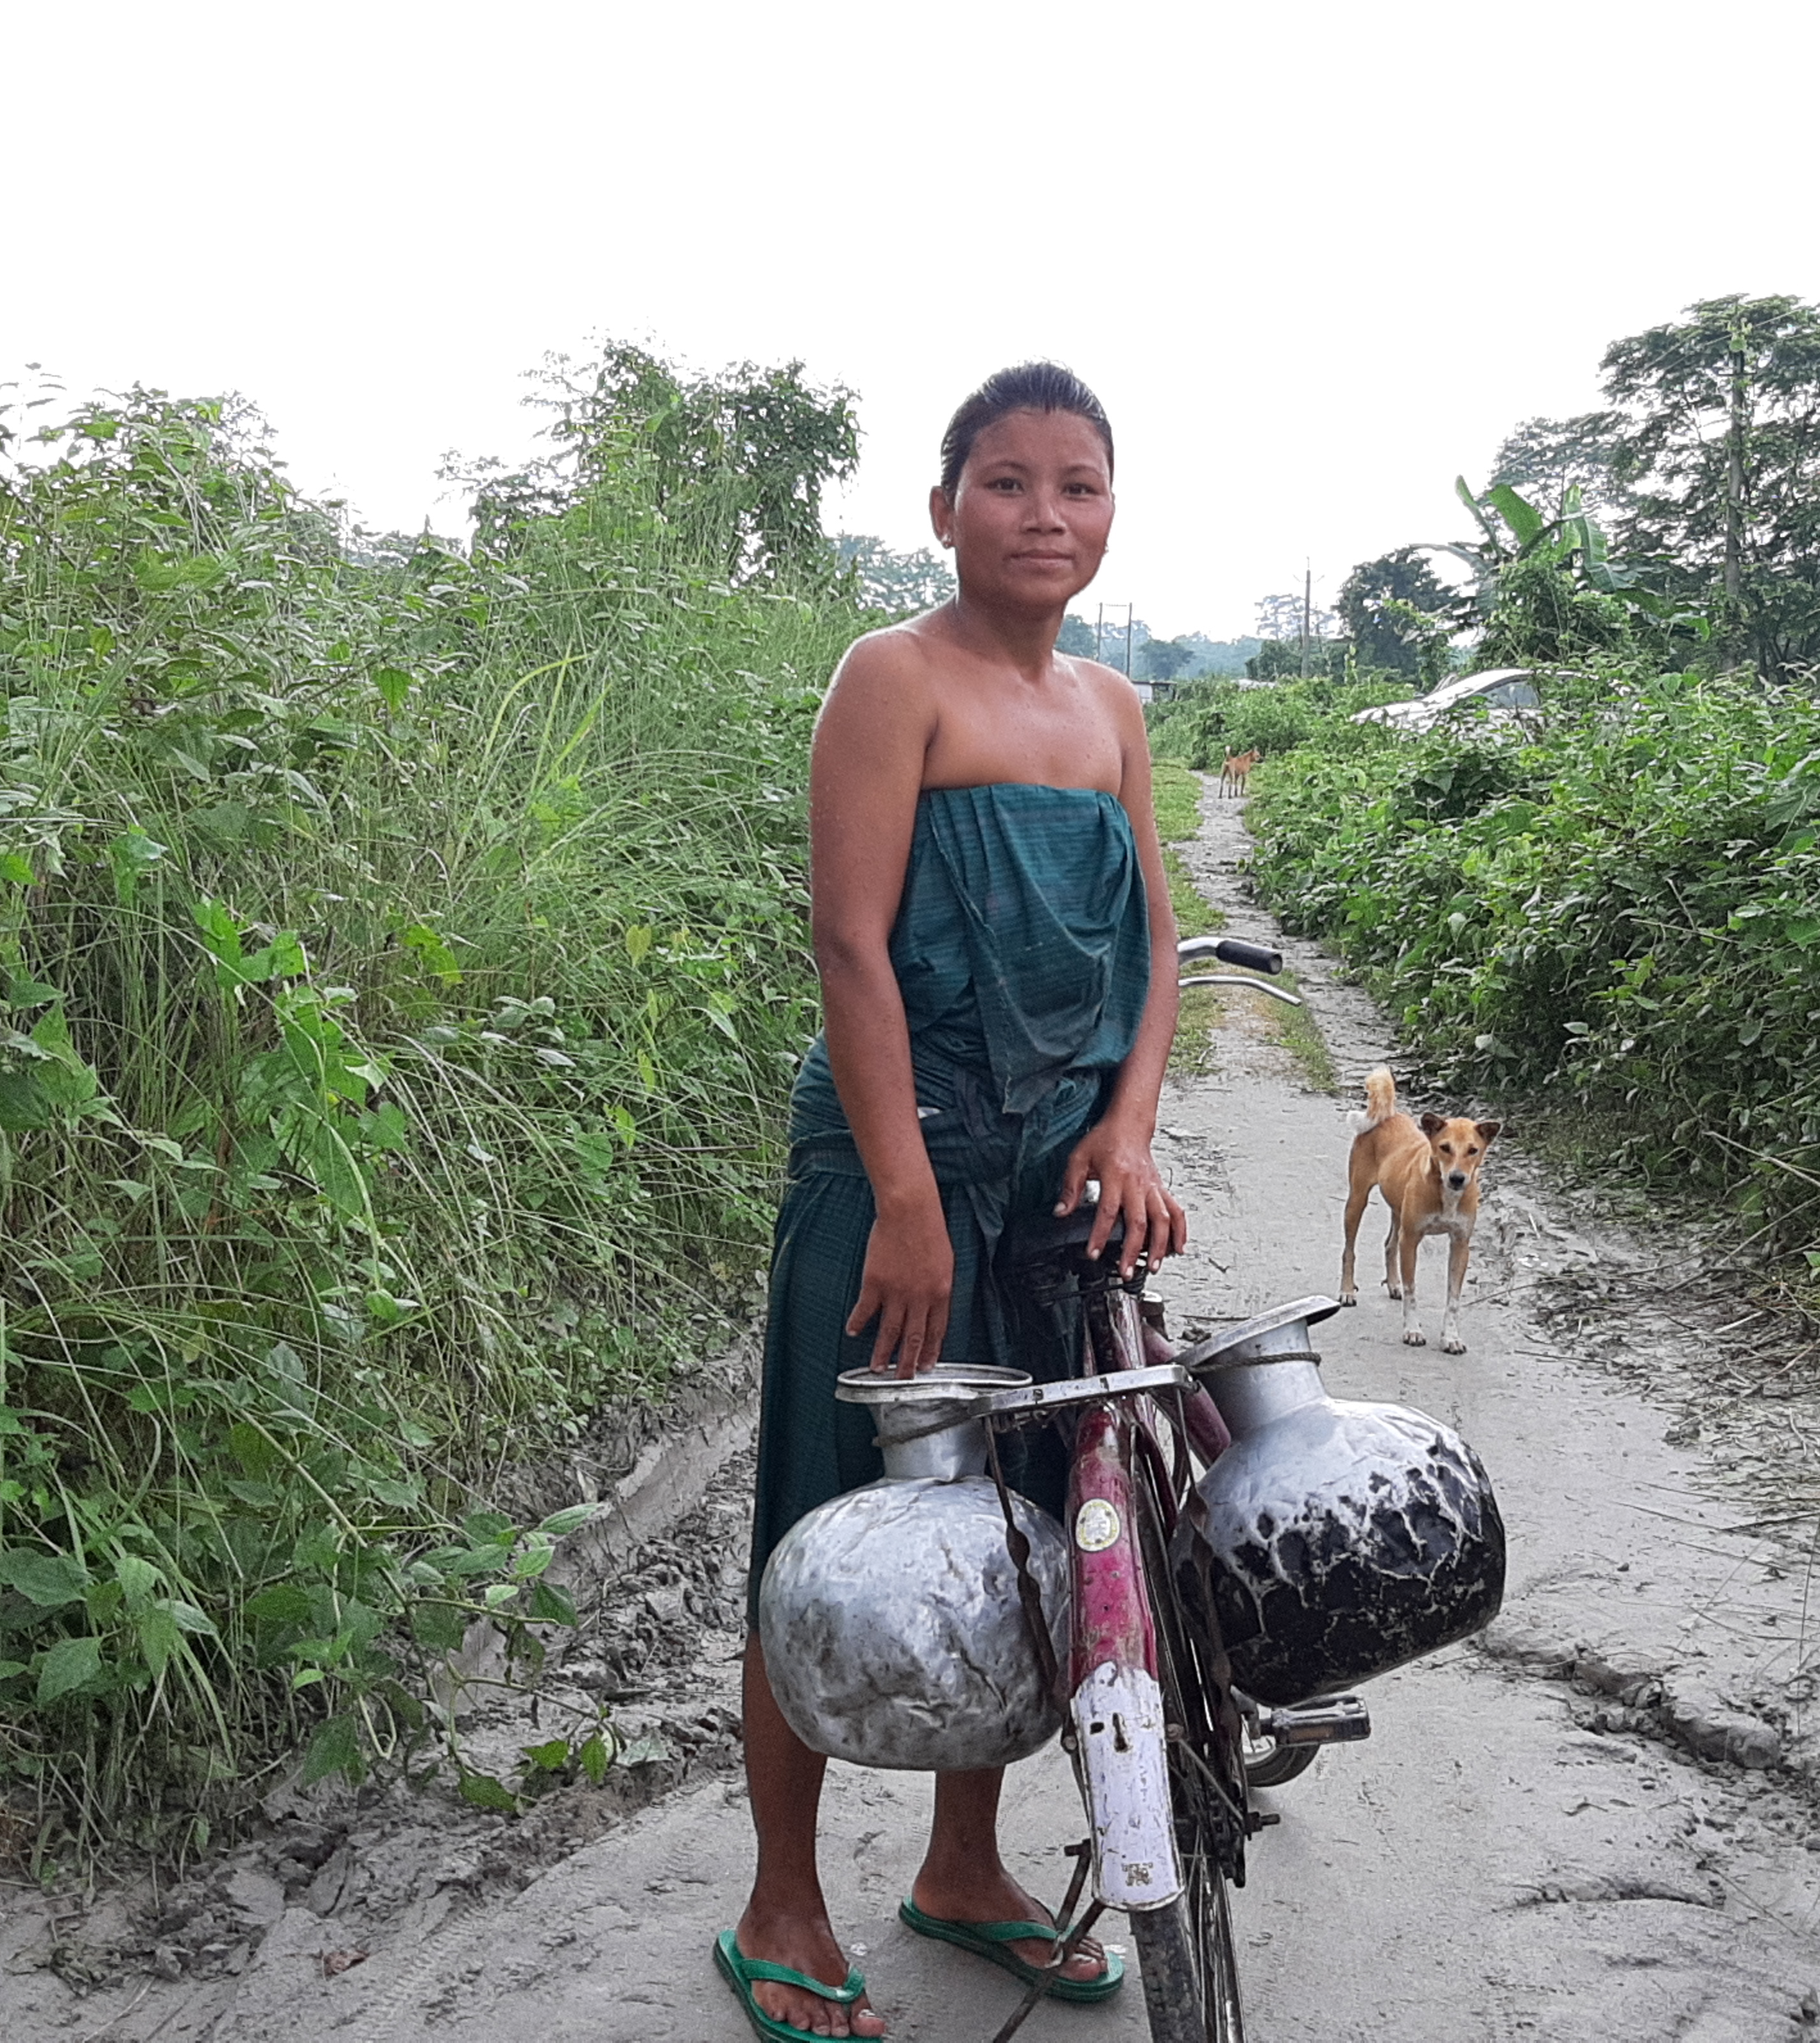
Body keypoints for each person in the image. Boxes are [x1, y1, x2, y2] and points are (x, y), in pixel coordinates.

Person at [716, 363, 1189, 2042]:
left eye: (1077, 483)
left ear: (1112, 509)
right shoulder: (890, 678)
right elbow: (849, 945)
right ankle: (782, 1897)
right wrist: (907, 1199)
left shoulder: (1117, 712)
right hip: (891, 1170)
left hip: (1055, 1188)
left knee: (1025, 1526)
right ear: (944, 508)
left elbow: (1157, 961)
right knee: (832, 1517)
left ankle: (964, 1870)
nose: (1043, 514)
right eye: (1006, 481)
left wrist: (1129, 1136)